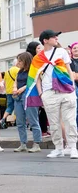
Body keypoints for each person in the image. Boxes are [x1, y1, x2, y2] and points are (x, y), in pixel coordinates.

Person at [31, 30, 77, 158]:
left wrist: (72, 87)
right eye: (53, 36)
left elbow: (69, 70)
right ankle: (58, 148)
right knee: (54, 122)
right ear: (45, 40)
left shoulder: (61, 52)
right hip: (49, 92)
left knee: (70, 120)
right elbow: (36, 78)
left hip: (66, 90)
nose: (56, 38)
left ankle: (73, 147)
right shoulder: (38, 58)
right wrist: (41, 94)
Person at [12, 52, 42, 153]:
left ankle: (37, 143)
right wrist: (15, 88)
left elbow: (33, 81)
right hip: (18, 97)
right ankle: (23, 143)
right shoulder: (19, 71)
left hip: (29, 96)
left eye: (20, 61)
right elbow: (15, 81)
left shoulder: (32, 71)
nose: (18, 63)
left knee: (33, 120)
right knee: (20, 122)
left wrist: (21, 89)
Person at [1, 60, 20, 129]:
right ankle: (19, 121)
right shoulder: (18, 70)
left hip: (9, 92)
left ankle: (3, 119)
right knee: (19, 106)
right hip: (17, 91)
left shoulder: (7, 71)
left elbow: (5, 82)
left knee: (9, 107)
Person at [69, 42, 78, 130]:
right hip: (75, 87)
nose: (76, 49)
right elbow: (73, 76)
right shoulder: (70, 62)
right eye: (74, 48)